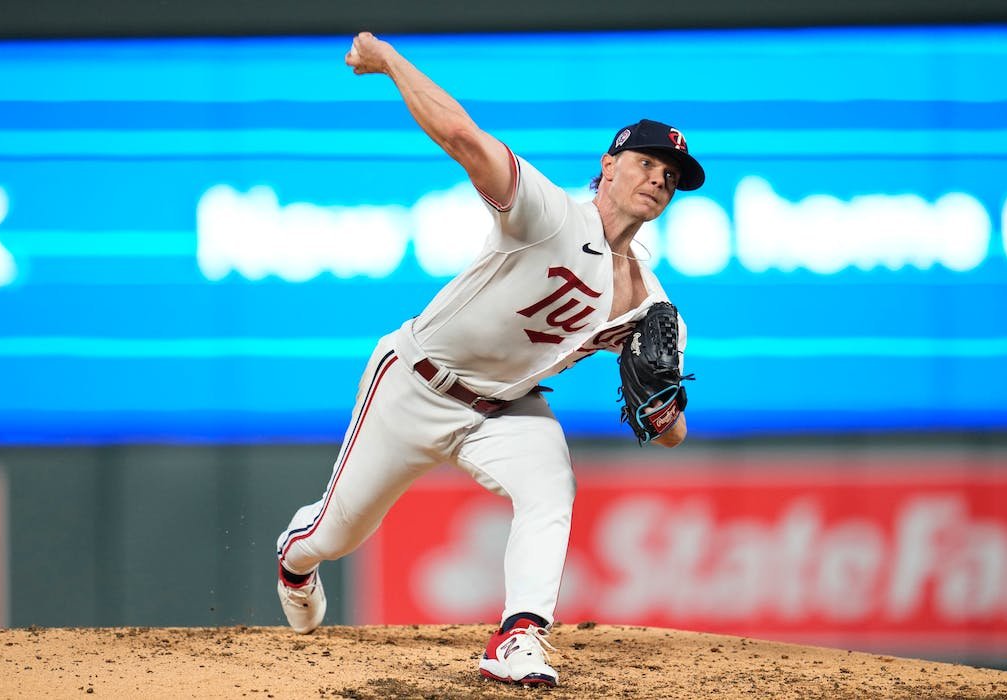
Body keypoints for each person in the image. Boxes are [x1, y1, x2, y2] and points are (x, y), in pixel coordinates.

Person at [275, 31, 705, 688]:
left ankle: (519, 636)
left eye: (671, 176)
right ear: (609, 164)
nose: (659, 179)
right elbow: (462, 137)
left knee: (552, 485)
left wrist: (664, 407)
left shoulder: (650, 302)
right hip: (417, 384)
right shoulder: (550, 214)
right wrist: (388, 60)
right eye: (647, 163)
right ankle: (295, 558)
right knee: (334, 537)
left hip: (505, 409)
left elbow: (670, 434)